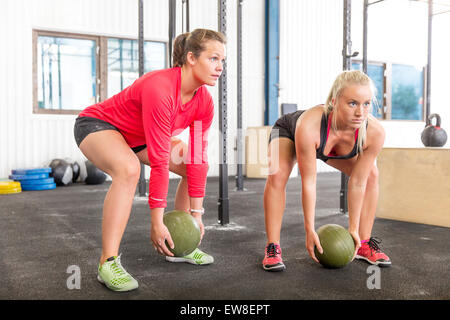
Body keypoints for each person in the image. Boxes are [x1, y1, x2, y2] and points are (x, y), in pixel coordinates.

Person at [73, 29, 226, 291]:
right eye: (213, 59)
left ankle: (181, 244)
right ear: (191, 58)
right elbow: (157, 161)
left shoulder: (204, 102)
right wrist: (156, 223)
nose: (220, 67)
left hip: (138, 137)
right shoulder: (161, 88)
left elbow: (199, 157)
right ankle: (107, 262)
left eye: (223, 61)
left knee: (191, 159)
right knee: (129, 169)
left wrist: (197, 215)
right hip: (98, 126)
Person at [262, 70, 391, 272]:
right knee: (277, 174)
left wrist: (353, 229)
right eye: (352, 103)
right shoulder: (309, 125)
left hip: (327, 145)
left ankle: (363, 244)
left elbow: (358, 182)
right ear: (334, 101)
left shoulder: (374, 133)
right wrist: (309, 229)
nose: (360, 112)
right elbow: (309, 182)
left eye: (366, 104)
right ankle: (273, 246)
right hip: (291, 132)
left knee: (372, 175)